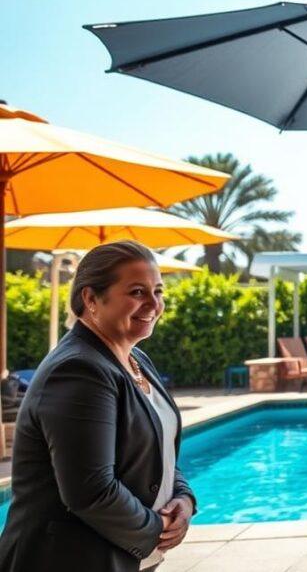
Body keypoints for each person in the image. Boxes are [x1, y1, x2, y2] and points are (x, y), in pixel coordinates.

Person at [0, 241, 196, 572]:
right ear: (91, 299)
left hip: (117, 555)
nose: (153, 304)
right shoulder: (79, 370)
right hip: (65, 558)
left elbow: (155, 448)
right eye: (137, 292)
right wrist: (156, 528)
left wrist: (183, 498)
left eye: (158, 291)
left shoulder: (136, 358)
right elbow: (90, 491)